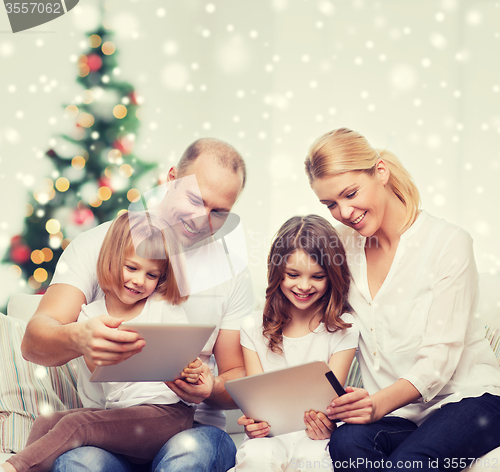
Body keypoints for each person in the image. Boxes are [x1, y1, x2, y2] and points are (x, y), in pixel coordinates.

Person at [21, 138, 255, 472]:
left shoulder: (231, 272)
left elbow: (237, 377)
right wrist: (79, 338)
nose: (202, 219)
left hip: (191, 427)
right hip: (110, 430)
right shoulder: (98, 245)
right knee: (79, 463)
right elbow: (34, 342)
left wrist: (209, 387)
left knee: (190, 454)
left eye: (218, 212)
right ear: (172, 178)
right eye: (195, 199)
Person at [304, 127, 500, 471]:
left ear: (381, 171)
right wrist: (302, 409)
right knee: (346, 441)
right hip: (401, 414)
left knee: (409, 463)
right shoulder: (342, 248)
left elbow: (439, 361)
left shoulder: (448, 243)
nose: (345, 212)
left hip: (469, 399)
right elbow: (317, 325)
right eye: (330, 204)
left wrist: (377, 405)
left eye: (351, 193)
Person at [2, 211, 203, 472]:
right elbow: (95, 376)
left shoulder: (164, 307)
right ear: (111, 260)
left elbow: (186, 359)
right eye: (132, 267)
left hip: (167, 414)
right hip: (120, 416)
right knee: (46, 421)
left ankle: (12, 468)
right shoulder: (89, 315)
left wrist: (195, 371)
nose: (139, 281)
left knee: (78, 425)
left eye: (152, 275)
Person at [234, 215, 359, 471]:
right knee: (257, 457)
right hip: (269, 437)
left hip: (316, 437)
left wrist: (325, 425)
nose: (304, 286)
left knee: (316, 463)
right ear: (277, 272)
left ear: (332, 276)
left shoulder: (344, 327)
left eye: (317, 276)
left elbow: (330, 404)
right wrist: (255, 424)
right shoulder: (252, 327)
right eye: (293, 274)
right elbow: (257, 404)